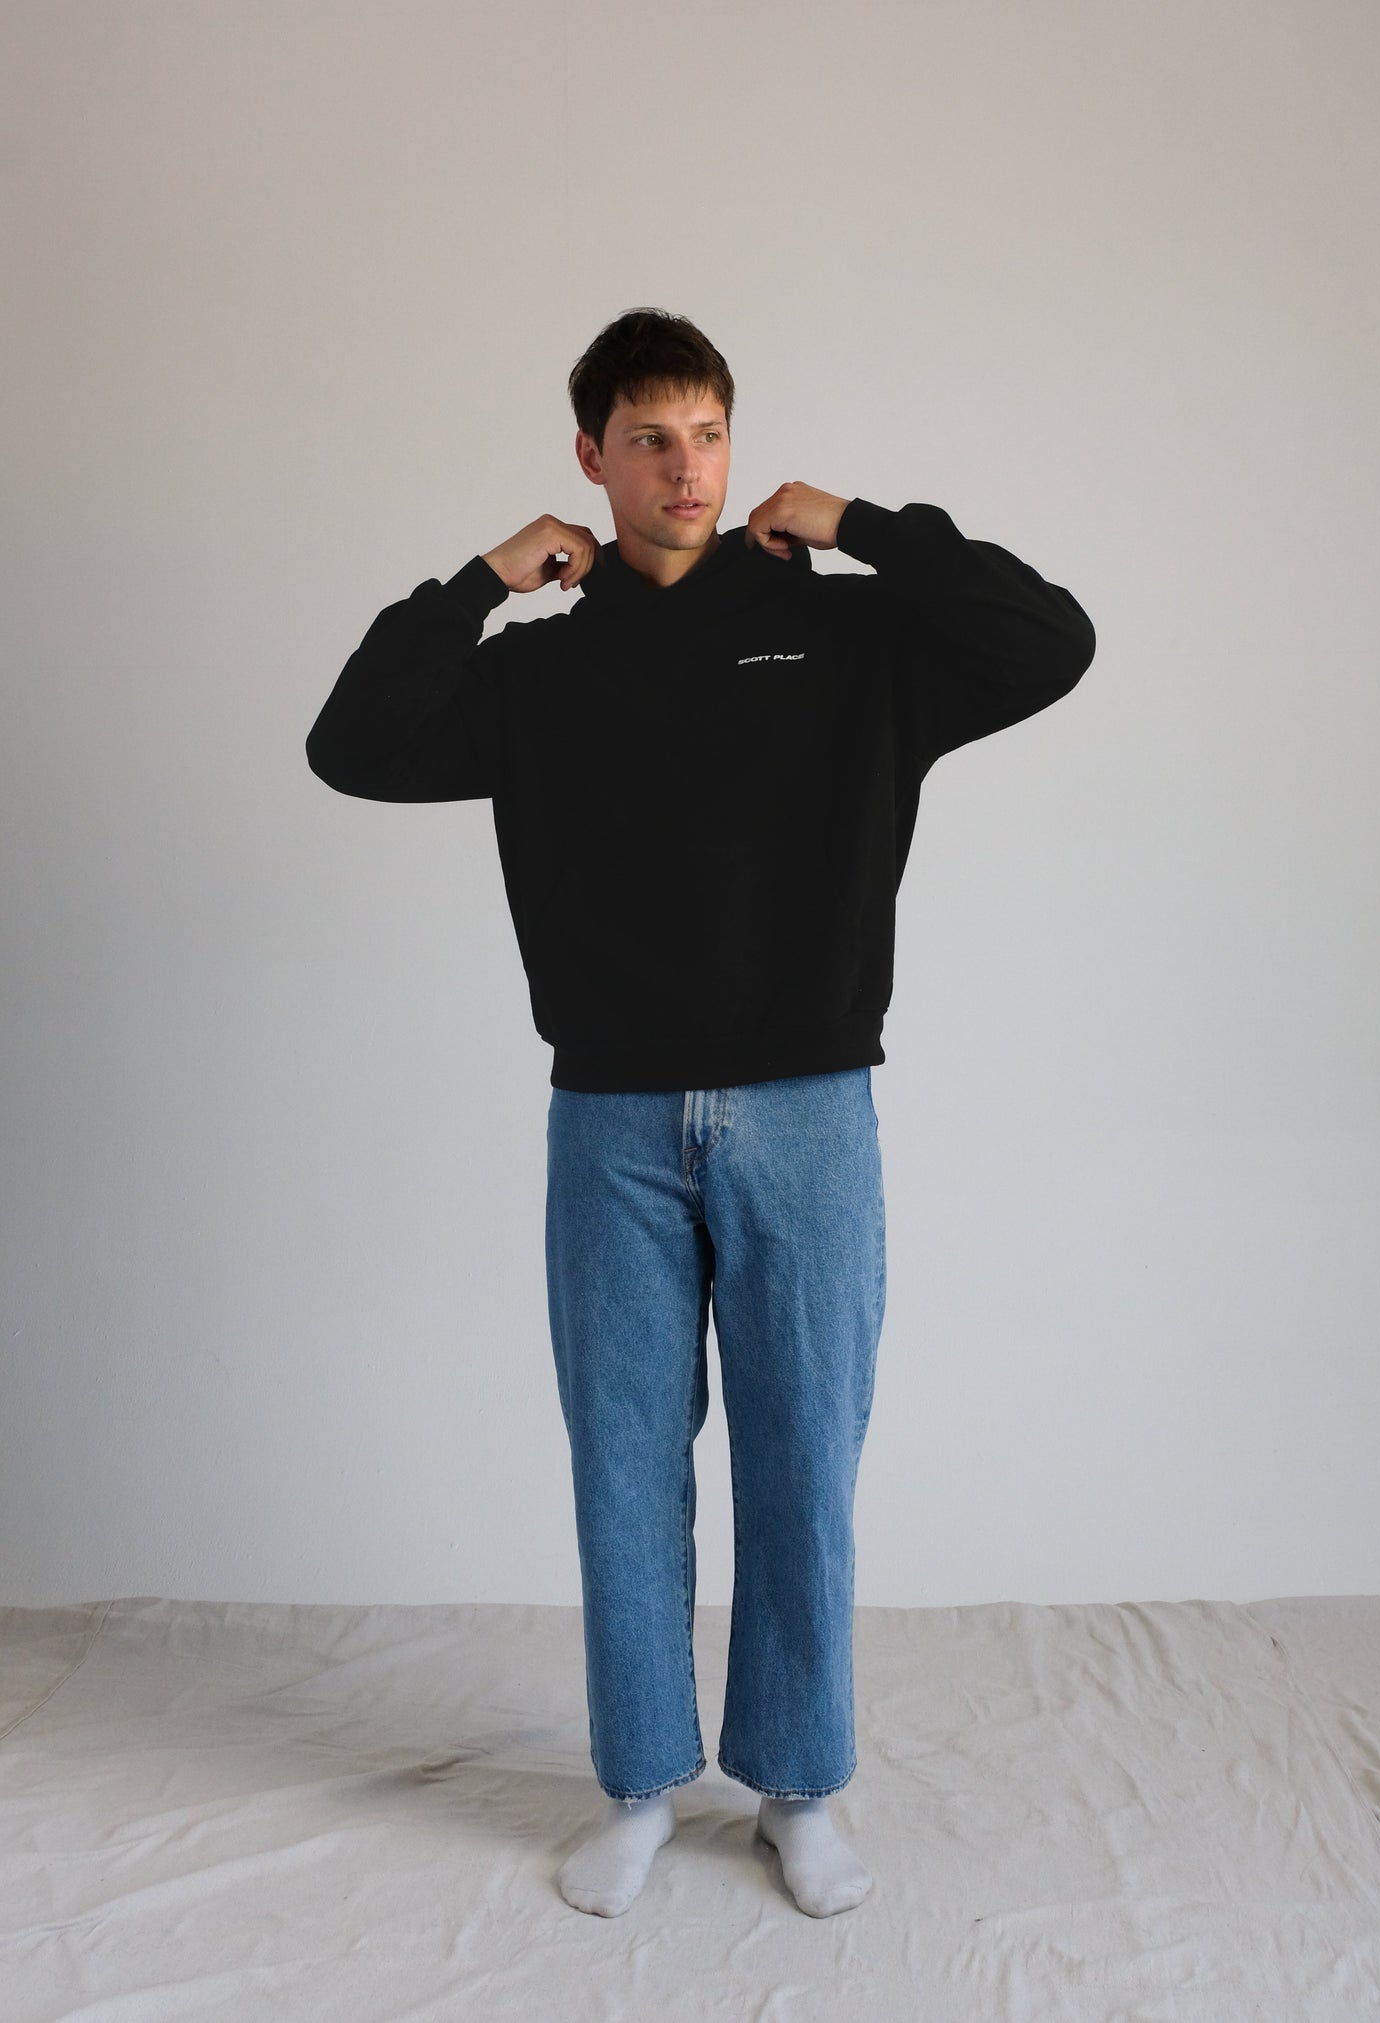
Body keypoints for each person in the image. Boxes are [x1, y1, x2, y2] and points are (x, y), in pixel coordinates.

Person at [305, 307, 1095, 1919]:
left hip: (808, 1109)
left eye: (709, 435)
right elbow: (351, 744)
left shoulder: (854, 638)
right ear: (589, 458)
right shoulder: (543, 667)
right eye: (649, 438)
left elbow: (1050, 639)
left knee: (802, 1456)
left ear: (739, 447)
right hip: (606, 1121)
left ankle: (799, 1789)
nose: (686, 467)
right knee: (622, 1463)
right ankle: (642, 1784)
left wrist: (862, 526)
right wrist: (475, 582)